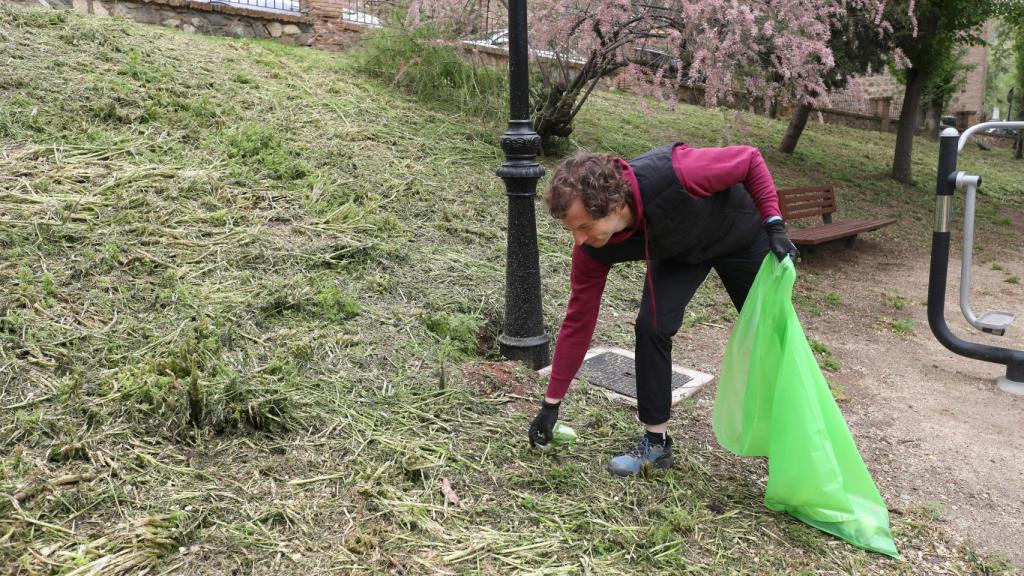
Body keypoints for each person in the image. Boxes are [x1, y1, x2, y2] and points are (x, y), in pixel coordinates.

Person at [528, 142, 799, 476]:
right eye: (572, 230)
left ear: (613, 205)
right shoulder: (592, 250)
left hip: (739, 233)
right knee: (651, 326)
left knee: (774, 333)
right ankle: (656, 444)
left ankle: (801, 435)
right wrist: (550, 404)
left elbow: (749, 159)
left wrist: (774, 224)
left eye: (583, 227)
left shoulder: (674, 172)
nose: (578, 241)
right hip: (681, 251)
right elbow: (578, 323)